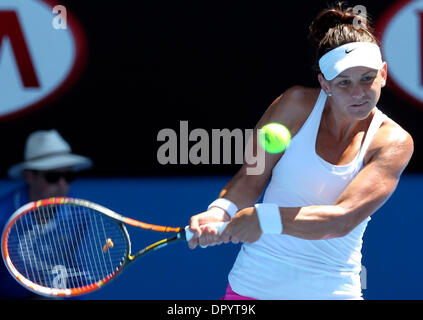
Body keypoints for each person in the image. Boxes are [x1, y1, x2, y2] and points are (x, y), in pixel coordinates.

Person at [188, 3, 414, 300]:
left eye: (367, 78)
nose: (358, 93)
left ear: (383, 74)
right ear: (324, 83)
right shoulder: (294, 105)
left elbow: (341, 219)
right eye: (344, 82)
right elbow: (250, 178)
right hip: (252, 289)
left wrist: (264, 219)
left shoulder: (393, 142)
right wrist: (219, 212)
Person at [0, 129, 92, 299]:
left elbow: (77, 275)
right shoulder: (2, 216)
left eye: (68, 175)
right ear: (29, 176)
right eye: (52, 177)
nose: (62, 184)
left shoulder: (79, 213)